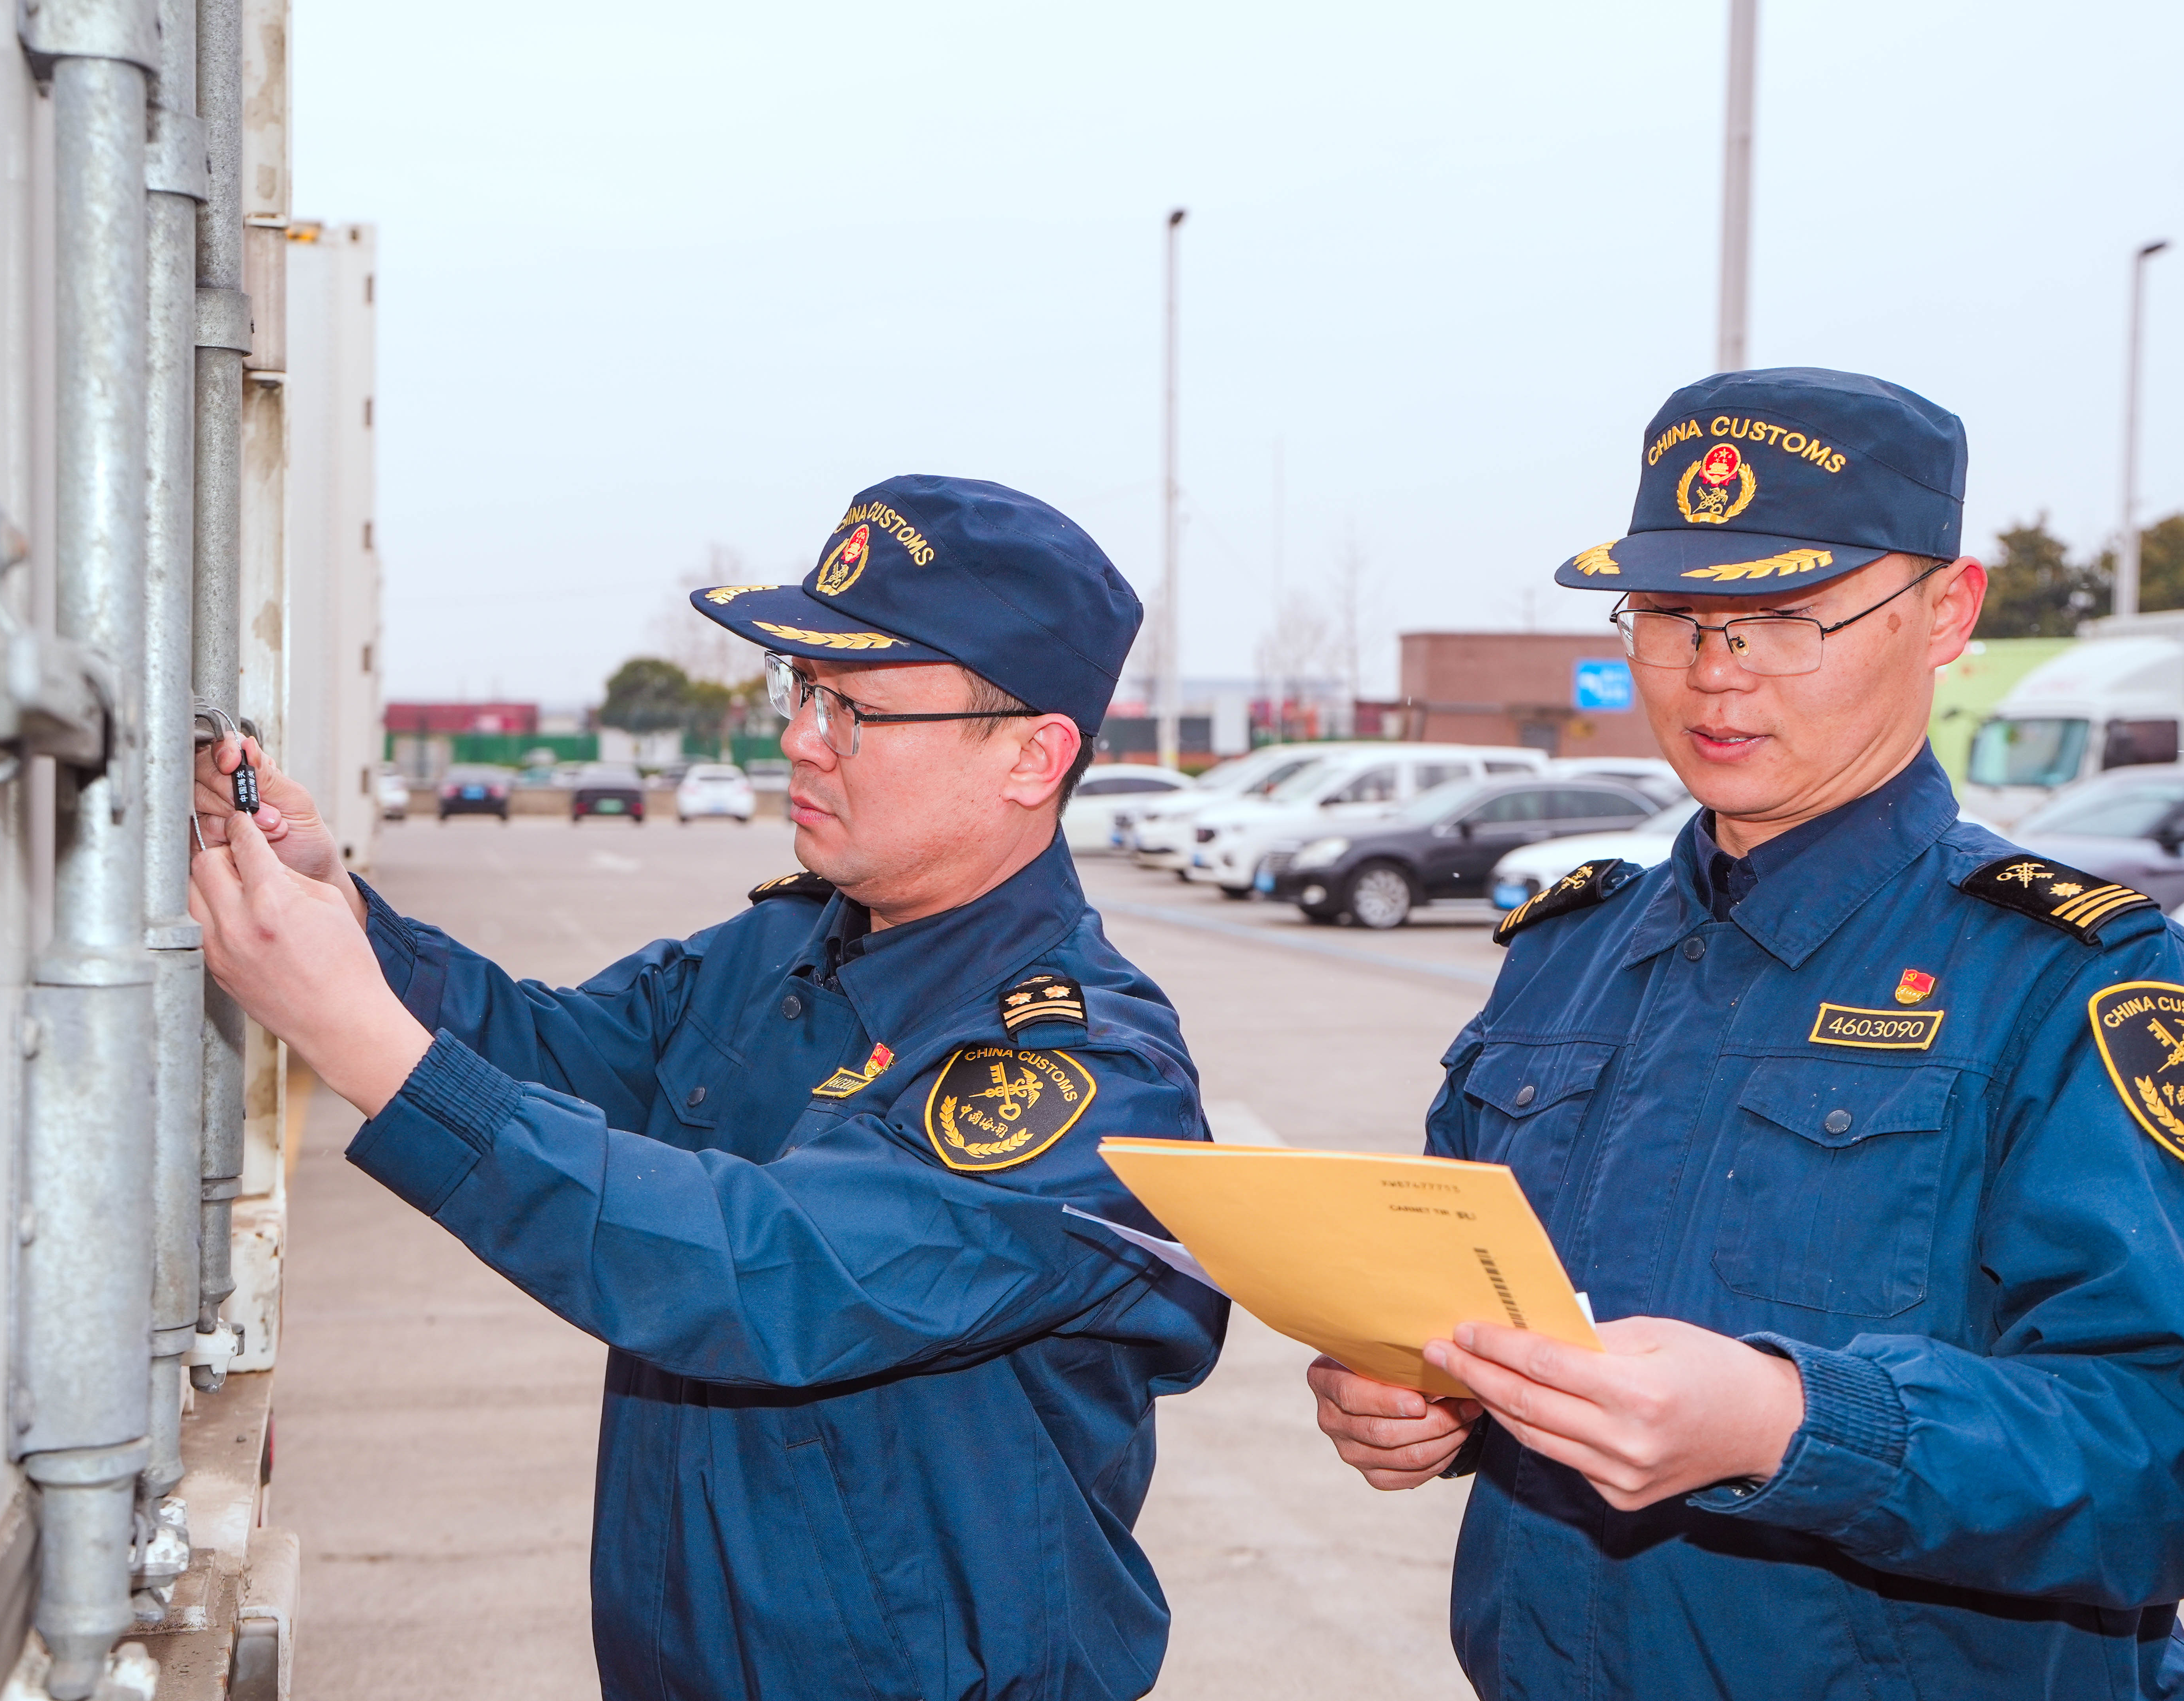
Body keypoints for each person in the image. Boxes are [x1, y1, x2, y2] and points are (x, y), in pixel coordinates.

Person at [191, 475, 1228, 1701]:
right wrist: (342, 916)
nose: (799, 737)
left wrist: (362, 1039)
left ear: (1031, 755)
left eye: (856, 709)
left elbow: (761, 1273)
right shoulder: (784, 952)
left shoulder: (1085, 1071)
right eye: (801, 691)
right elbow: (558, 1053)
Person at [1308, 367, 2184, 1698]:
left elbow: (2156, 1448)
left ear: (1945, 610)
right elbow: (1478, 1303)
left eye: (1780, 619)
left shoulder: (2063, 977)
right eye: (1670, 616)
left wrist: (1792, 1422)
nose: (1715, 678)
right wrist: (1434, 1401)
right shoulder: (1563, 954)